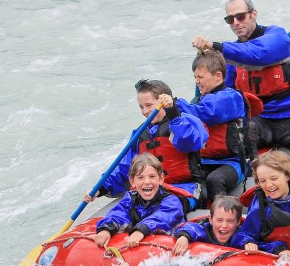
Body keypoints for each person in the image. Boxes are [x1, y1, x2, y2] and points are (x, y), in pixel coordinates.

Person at [191, 0, 290, 174]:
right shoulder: (230, 54)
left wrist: (216, 46)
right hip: (257, 120)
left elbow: (258, 54)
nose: (236, 23)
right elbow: (224, 91)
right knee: (241, 137)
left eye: (240, 17)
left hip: (289, 115)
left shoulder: (278, 36)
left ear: (253, 14)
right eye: (230, 19)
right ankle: (257, 175)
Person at [84, 79, 208, 214]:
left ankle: (146, 229)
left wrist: (173, 114)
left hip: (186, 188)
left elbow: (188, 142)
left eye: (149, 105)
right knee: (123, 209)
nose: (145, 111)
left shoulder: (187, 121)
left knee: (166, 207)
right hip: (152, 189)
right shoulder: (140, 133)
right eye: (141, 107)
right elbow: (125, 166)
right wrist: (101, 188)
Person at [178, 51, 249, 203]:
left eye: (201, 77)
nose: (197, 81)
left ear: (218, 76)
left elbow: (207, 114)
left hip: (231, 162)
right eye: (195, 77)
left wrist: (175, 105)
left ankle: (223, 214)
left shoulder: (230, 98)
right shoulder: (198, 100)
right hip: (203, 161)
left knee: (215, 180)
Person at [94, 153, 185, 249]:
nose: (146, 182)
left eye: (152, 176)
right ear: (132, 181)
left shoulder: (172, 202)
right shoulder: (130, 198)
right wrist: (106, 229)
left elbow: (162, 218)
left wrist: (141, 230)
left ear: (161, 179)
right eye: (140, 177)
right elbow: (118, 214)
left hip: (165, 246)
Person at [172, 195, 243, 254]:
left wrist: (249, 243)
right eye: (219, 220)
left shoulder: (240, 234)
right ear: (211, 220)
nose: (224, 225)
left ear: (238, 222)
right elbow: (192, 228)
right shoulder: (206, 230)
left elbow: (247, 237)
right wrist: (184, 236)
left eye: (230, 221)